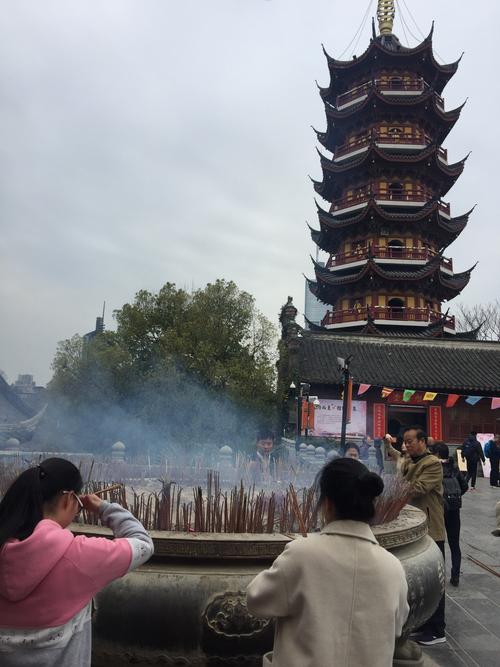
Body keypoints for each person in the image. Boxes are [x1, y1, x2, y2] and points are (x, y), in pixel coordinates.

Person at [246, 458, 409, 667]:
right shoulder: (392, 567)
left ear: (328, 504)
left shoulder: (302, 554)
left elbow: (256, 600)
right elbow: (398, 626)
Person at [0, 458, 154, 667]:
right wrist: (104, 508)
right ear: (68, 499)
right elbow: (143, 544)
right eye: (78, 505)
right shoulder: (81, 556)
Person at [399, 427, 446, 646]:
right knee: (422, 578)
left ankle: (438, 629)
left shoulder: (432, 463)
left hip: (431, 527)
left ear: (422, 441)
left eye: (410, 442)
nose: (407, 445)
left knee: (434, 580)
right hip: (416, 526)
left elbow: (418, 488)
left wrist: (393, 487)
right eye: (405, 442)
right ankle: (426, 624)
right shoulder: (412, 460)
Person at [435, 442, 468, 587]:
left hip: (439, 510)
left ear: (436, 454)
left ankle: (439, 576)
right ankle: (455, 576)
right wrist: (456, 496)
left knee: (439, 544)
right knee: (455, 544)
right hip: (454, 510)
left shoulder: (434, 468)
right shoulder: (454, 467)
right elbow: (464, 486)